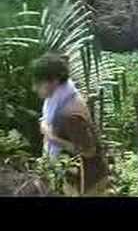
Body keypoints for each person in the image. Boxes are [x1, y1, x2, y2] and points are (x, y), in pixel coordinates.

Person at [31, 53, 108, 196]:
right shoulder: (62, 98)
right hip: (77, 177)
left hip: (87, 182)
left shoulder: (69, 115)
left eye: (38, 83)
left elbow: (89, 151)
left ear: (54, 81)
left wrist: (51, 137)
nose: (34, 88)